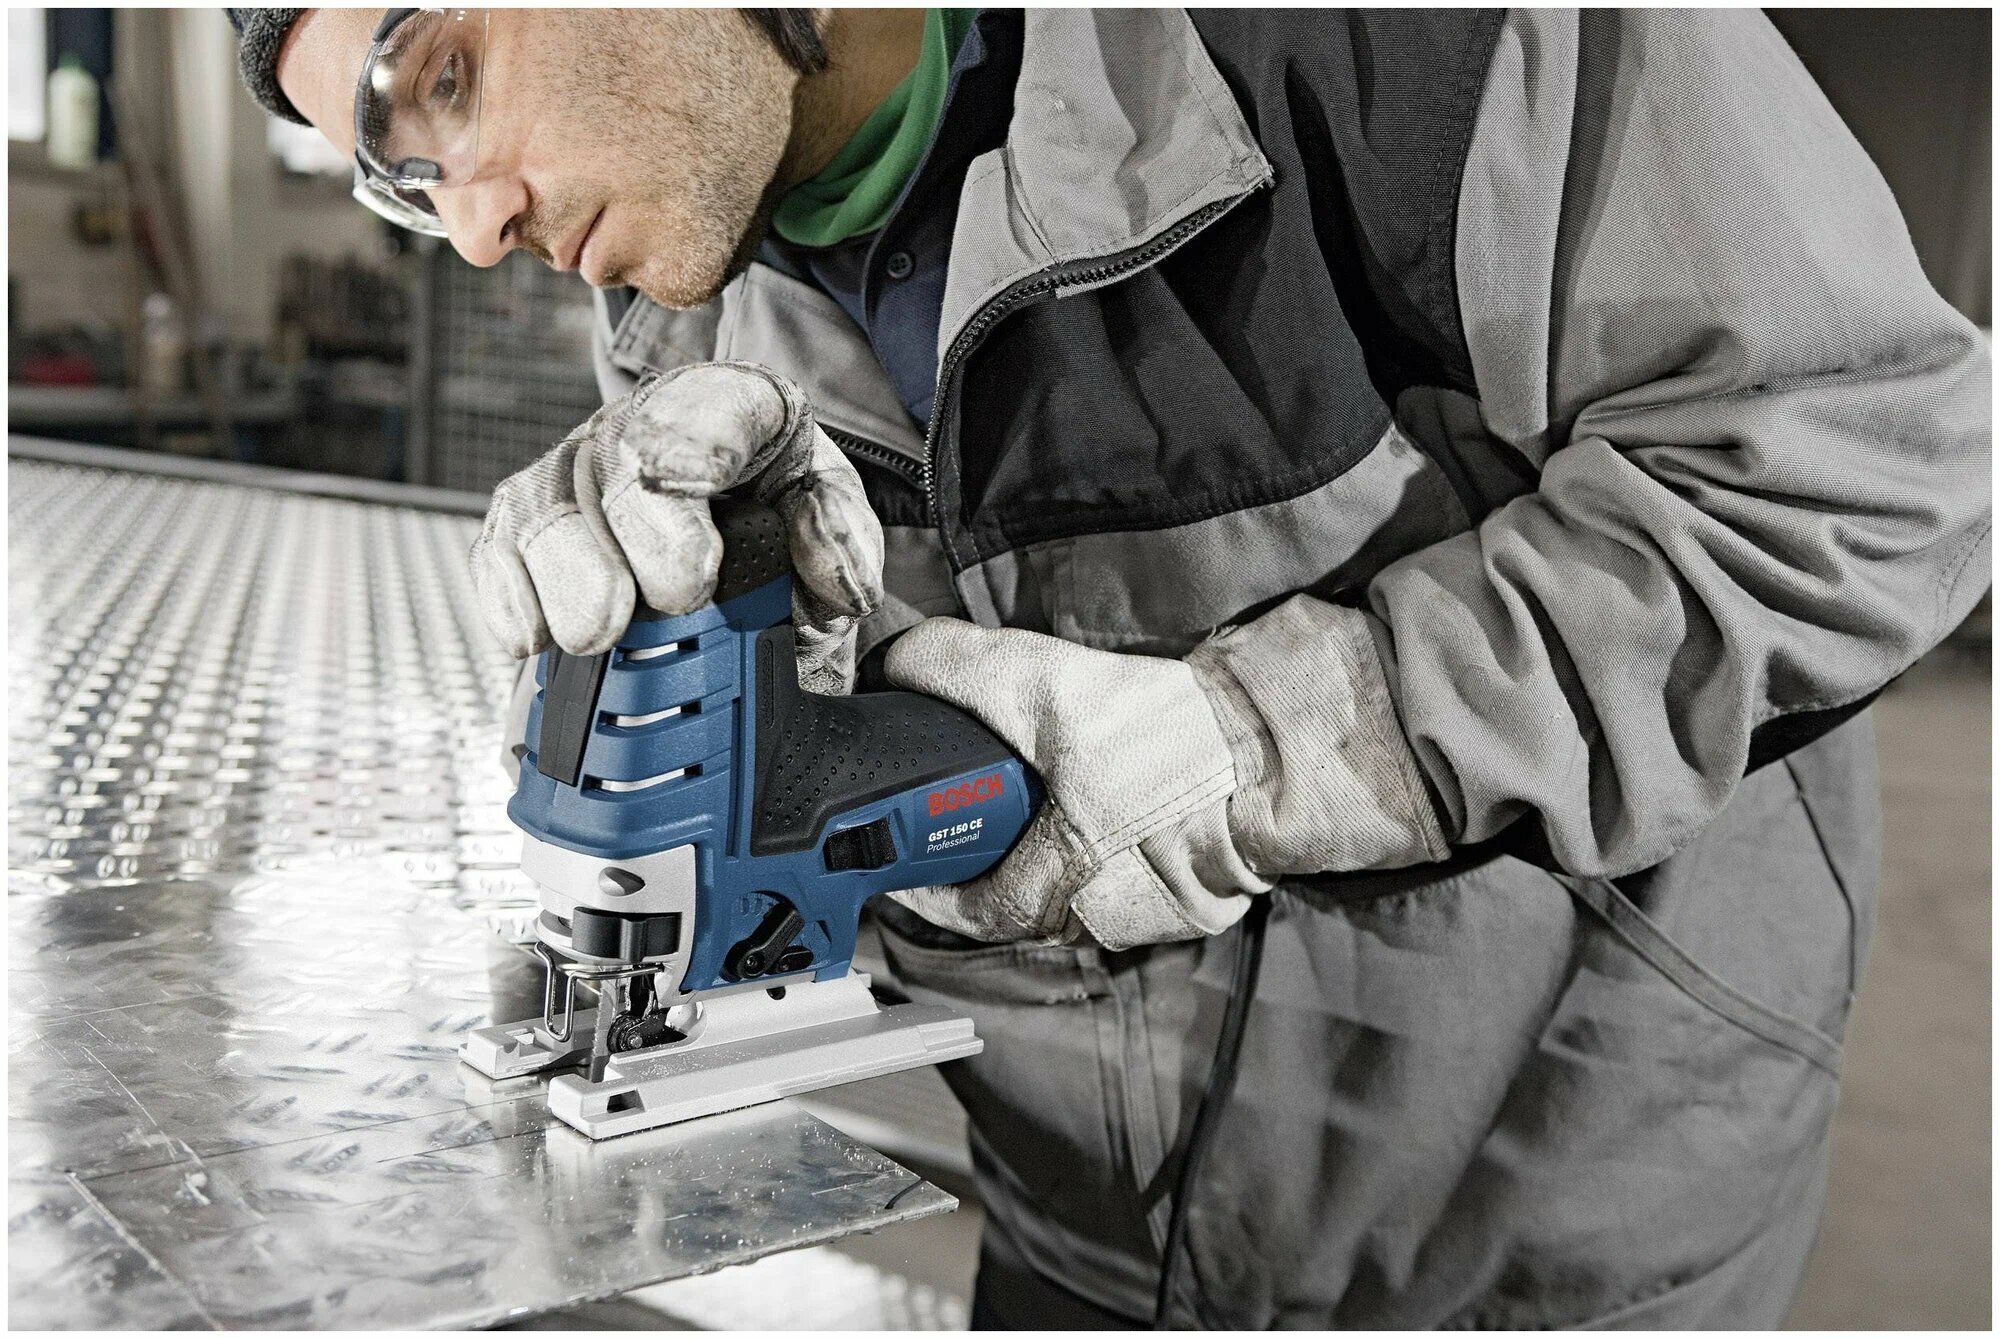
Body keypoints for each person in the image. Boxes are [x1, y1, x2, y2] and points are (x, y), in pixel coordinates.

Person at [238, 8, 1991, 1327]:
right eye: (399, 178)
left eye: (442, 76)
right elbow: (884, 798)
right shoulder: (683, 279)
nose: (471, 226)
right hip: (1084, 1229)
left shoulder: (1385, 39)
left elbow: (1863, 470)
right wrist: (733, 671)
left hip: (1530, 1212)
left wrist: (1266, 750)